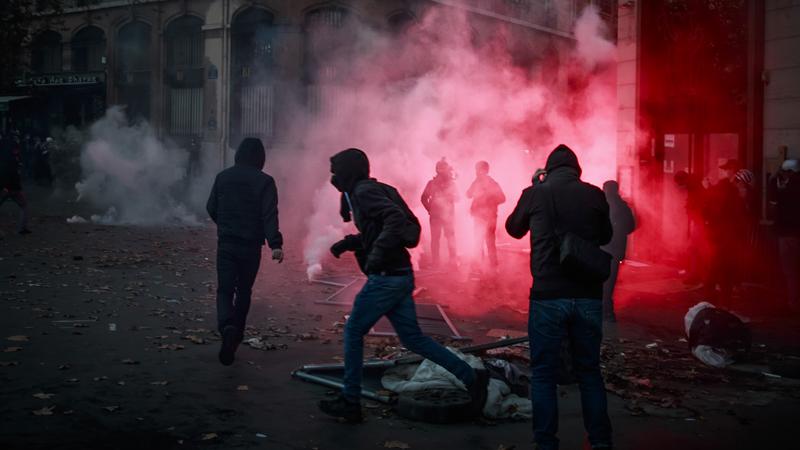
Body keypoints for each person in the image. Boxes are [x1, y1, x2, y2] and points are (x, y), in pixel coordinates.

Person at [321, 148, 488, 423]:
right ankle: (471, 377)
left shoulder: (363, 192)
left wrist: (376, 254)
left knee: (353, 331)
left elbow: (393, 220)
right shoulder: (364, 191)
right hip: (399, 275)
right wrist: (349, 243)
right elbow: (377, 230)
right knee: (413, 339)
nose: (333, 177)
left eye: (336, 171)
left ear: (349, 172)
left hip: (386, 278)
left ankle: (350, 401)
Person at [506, 144, 613, 450]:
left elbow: (513, 228)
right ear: (577, 170)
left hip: (547, 295)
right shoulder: (594, 194)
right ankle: (601, 443)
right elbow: (605, 236)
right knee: (590, 372)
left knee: (543, 374)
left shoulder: (536, 193)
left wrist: (532, 188)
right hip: (588, 295)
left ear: (547, 170)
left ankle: (546, 443)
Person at [206, 137, 284, 366]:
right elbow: (269, 214)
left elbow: (211, 207)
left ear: (238, 154)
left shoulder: (223, 177)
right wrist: (275, 244)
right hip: (251, 247)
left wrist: (224, 225)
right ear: (261, 158)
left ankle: (226, 327)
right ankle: (237, 333)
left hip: (227, 244)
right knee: (244, 291)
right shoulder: (265, 181)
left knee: (224, 290)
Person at [703, 159, 748, 306]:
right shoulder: (728, 189)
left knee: (719, 265)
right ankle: (722, 298)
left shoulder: (724, 189)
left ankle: (713, 295)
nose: (724, 172)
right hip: (725, 235)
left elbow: (710, 210)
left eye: (726, 169)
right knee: (723, 266)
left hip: (721, 234)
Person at [600, 181, 635, 322]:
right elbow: (631, 227)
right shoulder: (623, 207)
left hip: (602, 248)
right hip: (617, 249)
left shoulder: (600, 205)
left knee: (599, 279)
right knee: (610, 280)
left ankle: (601, 310)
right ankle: (607, 311)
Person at [466, 161, 506, 268]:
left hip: (490, 217)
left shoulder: (493, 183)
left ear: (485, 170)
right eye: (477, 170)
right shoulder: (476, 182)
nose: (477, 172)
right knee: (478, 241)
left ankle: (493, 266)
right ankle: (480, 264)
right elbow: (468, 194)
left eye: (479, 169)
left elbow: (503, 198)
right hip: (479, 216)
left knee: (489, 241)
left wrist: (490, 200)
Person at [421, 158, 459, 266]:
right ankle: (436, 262)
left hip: (448, 215)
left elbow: (459, 198)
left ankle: (452, 261)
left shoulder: (451, 183)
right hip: (436, 215)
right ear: (437, 169)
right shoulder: (432, 183)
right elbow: (423, 198)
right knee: (436, 239)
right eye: (440, 168)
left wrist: (452, 197)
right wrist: (430, 209)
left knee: (450, 238)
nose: (442, 170)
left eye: (444, 168)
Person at [774, 159, 800, 307]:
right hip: (795, 233)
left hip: (787, 234)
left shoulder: (787, 189)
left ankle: (793, 300)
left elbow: (776, 199)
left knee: (790, 269)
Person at [0, 134, 31, 235]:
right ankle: (22, 228)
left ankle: (22, 228)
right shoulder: (9, 160)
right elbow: (7, 174)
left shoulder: (9, 158)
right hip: (8, 188)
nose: (17, 151)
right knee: (24, 206)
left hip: (10, 188)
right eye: (16, 149)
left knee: (24, 206)